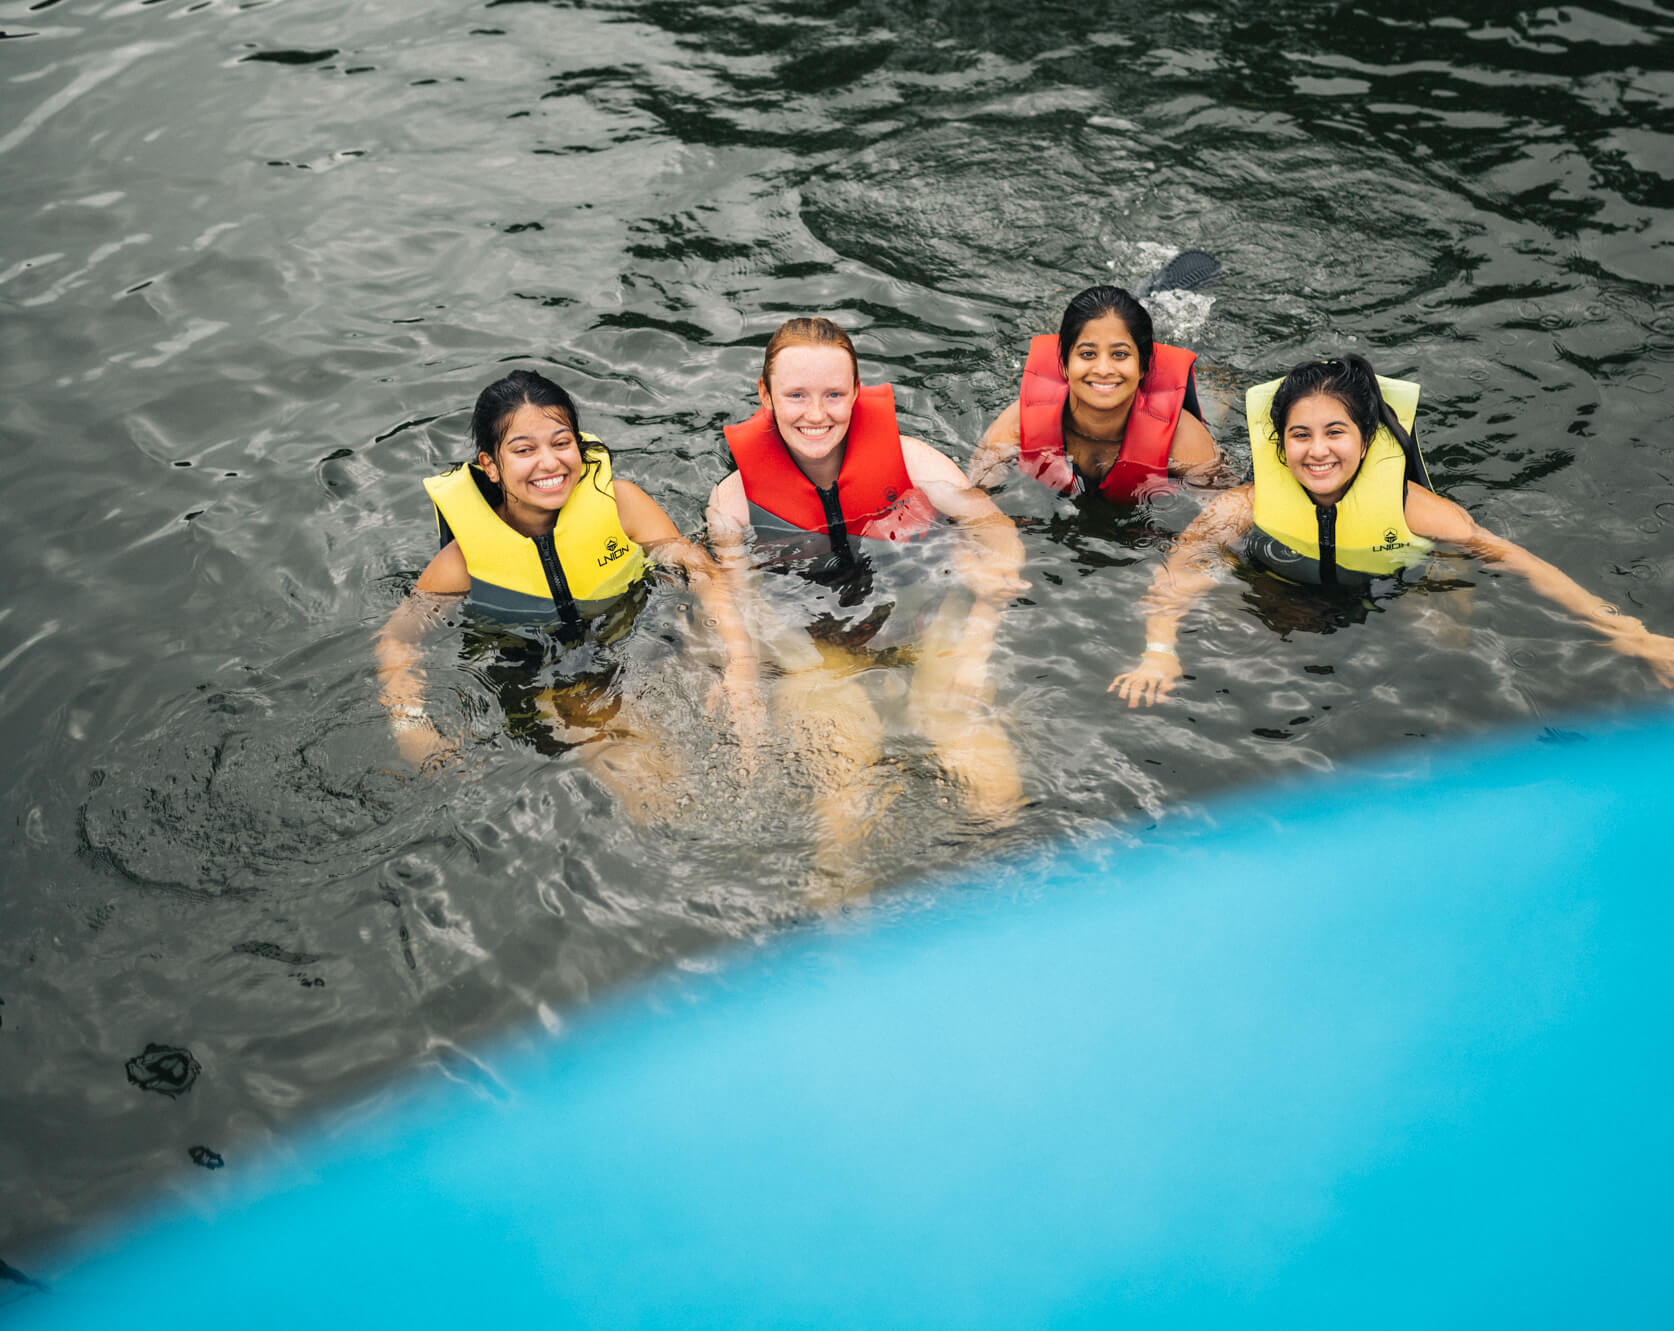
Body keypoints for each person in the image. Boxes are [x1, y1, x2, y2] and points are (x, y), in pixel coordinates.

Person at [1110, 354, 1674, 706]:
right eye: (1300, 435)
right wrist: (1158, 652)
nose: (1318, 451)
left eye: (1335, 432)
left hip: (1398, 579)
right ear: (1281, 443)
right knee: (1251, 647)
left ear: (1367, 440)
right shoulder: (1242, 507)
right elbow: (1179, 572)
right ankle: (1200, 378)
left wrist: (1628, 632)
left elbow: (1520, 563)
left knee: (1441, 654)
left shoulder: (1420, 511)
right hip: (1283, 581)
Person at [706, 317, 1029, 901]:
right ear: (764, 396)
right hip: (815, 652)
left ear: (858, 393)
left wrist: (979, 641)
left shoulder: (919, 466)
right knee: (847, 809)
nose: (816, 413)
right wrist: (742, 686)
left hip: (924, 626)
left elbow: (1000, 537)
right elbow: (738, 602)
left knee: (996, 800)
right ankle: (842, 935)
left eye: (834, 394)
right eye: (796, 395)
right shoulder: (733, 504)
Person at [375, 369, 763, 821]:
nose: (549, 463)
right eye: (524, 450)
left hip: (643, 642)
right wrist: (411, 724)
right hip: (545, 677)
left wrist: (739, 667)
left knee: (749, 738)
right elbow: (397, 640)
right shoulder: (461, 563)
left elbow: (702, 575)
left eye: (561, 443)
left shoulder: (623, 506)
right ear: (491, 466)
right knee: (660, 794)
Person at [969, 285, 1225, 499]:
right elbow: (971, 496)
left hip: (1205, 389)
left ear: (1144, 367)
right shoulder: (1019, 424)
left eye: (1120, 354)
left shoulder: (1184, 440)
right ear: (1065, 365)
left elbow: (1228, 509)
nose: (1103, 369)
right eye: (1087, 354)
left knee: (1219, 398)